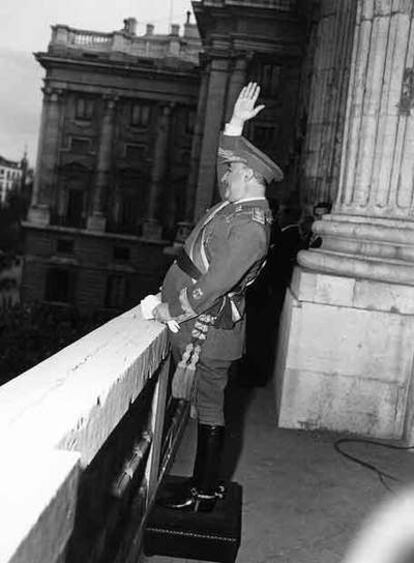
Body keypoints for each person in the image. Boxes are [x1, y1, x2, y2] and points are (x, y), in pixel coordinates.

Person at [150, 82, 283, 512]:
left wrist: (168, 310)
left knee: (209, 408)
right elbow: (226, 156)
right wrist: (236, 124)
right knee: (202, 407)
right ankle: (201, 486)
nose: (224, 175)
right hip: (200, 329)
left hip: (207, 333)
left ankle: (204, 492)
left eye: (231, 171)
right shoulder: (237, 207)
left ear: (248, 176)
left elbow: (213, 286)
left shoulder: (250, 226)